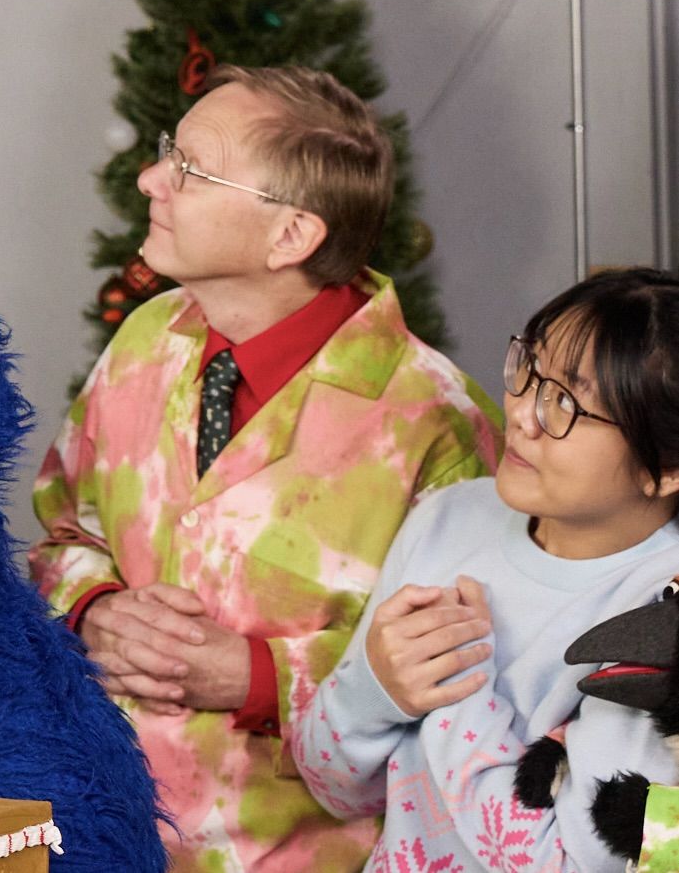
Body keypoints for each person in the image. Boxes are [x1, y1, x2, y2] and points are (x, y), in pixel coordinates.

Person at [32, 64, 498, 873]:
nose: (149, 180)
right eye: (167, 151)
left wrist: (256, 677)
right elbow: (62, 530)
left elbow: (471, 672)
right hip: (102, 837)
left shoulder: (432, 418)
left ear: (291, 235)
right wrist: (93, 609)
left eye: (189, 168)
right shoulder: (144, 338)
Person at [291, 268, 679, 873]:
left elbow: (581, 864)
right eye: (531, 371)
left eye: (567, 403)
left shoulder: (661, 614)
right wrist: (374, 689)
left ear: (667, 469)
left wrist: (458, 688)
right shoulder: (449, 518)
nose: (522, 414)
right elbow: (338, 793)